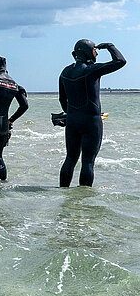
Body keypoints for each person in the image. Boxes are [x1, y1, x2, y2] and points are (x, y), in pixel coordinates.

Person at [58, 40, 126, 187]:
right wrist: (109, 46)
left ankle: (62, 192)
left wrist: (70, 115)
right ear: (87, 52)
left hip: (72, 120)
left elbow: (62, 99)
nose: (96, 53)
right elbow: (120, 61)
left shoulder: (64, 72)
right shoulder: (91, 70)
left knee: (70, 158)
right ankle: (83, 200)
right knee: (88, 161)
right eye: (95, 50)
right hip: (91, 121)